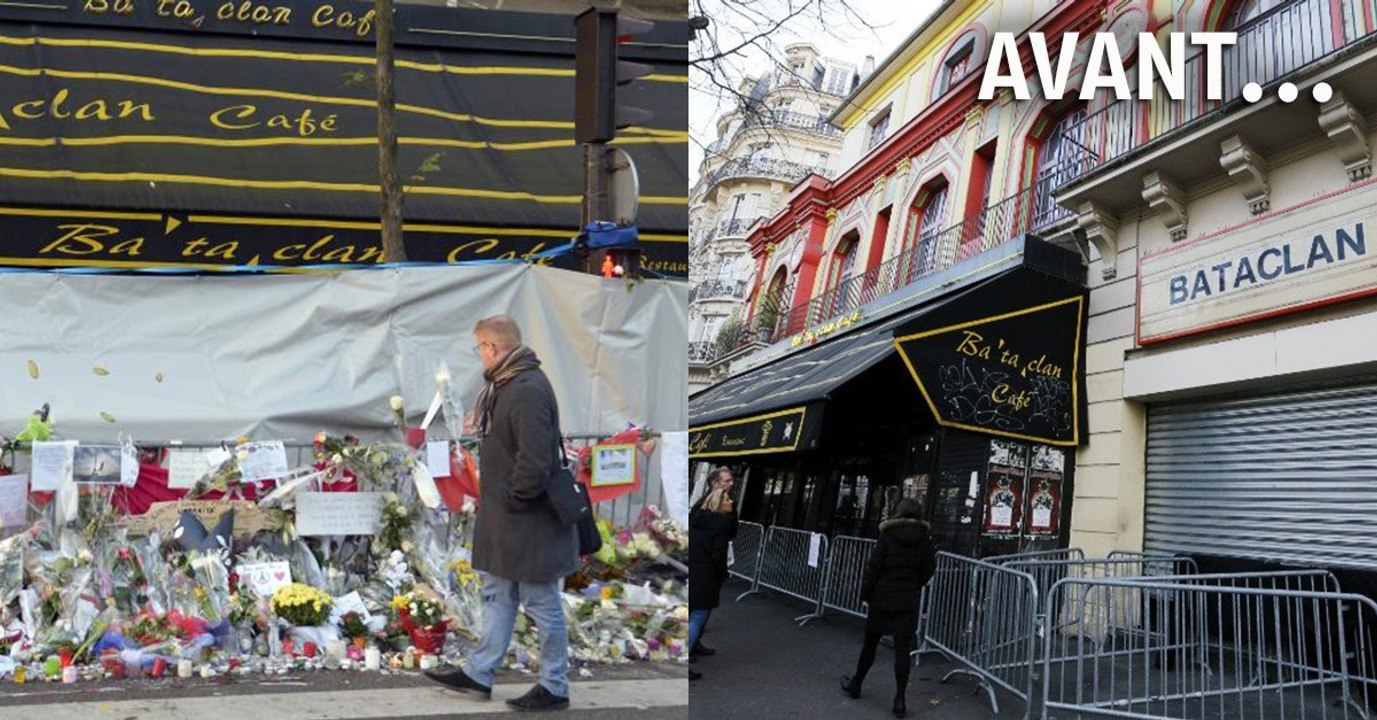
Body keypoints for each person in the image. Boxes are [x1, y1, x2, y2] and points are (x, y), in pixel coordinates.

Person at [425, 315, 577, 712]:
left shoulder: (525, 388)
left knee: (540, 601)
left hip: (526, 520)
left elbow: (535, 459)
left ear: (491, 348)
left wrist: (512, 498)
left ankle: (555, 685)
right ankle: (480, 672)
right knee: (498, 596)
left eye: (479, 348)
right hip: (507, 519)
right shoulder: (505, 385)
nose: (479, 355)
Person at [840, 498, 937, 718]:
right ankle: (900, 699)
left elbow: (873, 568)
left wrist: (865, 595)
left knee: (870, 644)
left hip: (881, 597)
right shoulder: (925, 539)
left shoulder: (887, 536)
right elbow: (929, 569)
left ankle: (856, 683)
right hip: (906, 601)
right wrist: (914, 585)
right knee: (902, 652)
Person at [687, 467, 737, 681]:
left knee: (694, 611)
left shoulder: (700, 511)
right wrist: (722, 572)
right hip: (706, 570)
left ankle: (693, 644)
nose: (731, 485)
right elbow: (719, 551)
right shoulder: (720, 520)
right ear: (714, 484)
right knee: (698, 614)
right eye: (726, 481)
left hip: (693, 565)